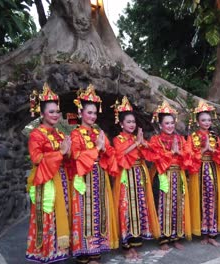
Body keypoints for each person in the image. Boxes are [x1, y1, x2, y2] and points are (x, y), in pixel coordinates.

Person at [69, 84, 118, 264]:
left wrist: (105, 149)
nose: (92, 116)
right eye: (89, 113)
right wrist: (97, 148)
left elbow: (111, 153)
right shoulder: (76, 134)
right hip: (84, 178)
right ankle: (83, 254)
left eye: (95, 113)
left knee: (99, 212)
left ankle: (95, 253)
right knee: (84, 213)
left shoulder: (98, 132)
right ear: (81, 113)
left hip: (99, 176)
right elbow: (75, 155)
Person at [26, 83, 72, 263]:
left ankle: (61, 254)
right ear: (42, 113)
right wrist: (60, 153)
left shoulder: (60, 134)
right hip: (46, 181)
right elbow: (36, 158)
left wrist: (68, 151)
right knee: (48, 217)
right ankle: (46, 254)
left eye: (57, 112)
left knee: (62, 215)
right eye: (51, 112)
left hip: (61, 179)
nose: (55, 115)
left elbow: (67, 158)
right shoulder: (36, 135)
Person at [111, 96, 160, 260]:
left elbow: (152, 153)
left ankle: (134, 243)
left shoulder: (136, 138)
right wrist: (136, 143)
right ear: (121, 123)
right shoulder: (117, 139)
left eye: (133, 122)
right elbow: (119, 155)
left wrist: (143, 143)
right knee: (125, 209)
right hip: (126, 177)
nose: (131, 124)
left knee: (138, 208)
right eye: (128, 122)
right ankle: (126, 247)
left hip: (138, 176)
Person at [148, 100, 192, 250]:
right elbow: (155, 156)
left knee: (178, 205)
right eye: (167, 123)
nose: (170, 126)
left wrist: (178, 152)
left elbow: (189, 155)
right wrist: (171, 153)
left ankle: (176, 237)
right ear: (160, 125)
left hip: (177, 175)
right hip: (163, 176)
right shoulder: (155, 140)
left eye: (172, 123)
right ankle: (163, 239)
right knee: (162, 205)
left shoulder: (180, 139)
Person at [187, 101, 220, 247]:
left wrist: (212, 150)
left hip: (213, 170)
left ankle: (212, 234)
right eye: (203, 120)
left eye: (208, 120)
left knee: (213, 200)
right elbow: (188, 156)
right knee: (200, 200)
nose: (207, 123)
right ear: (197, 122)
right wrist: (202, 150)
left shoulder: (214, 136)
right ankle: (203, 233)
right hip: (199, 171)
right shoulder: (193, 136)